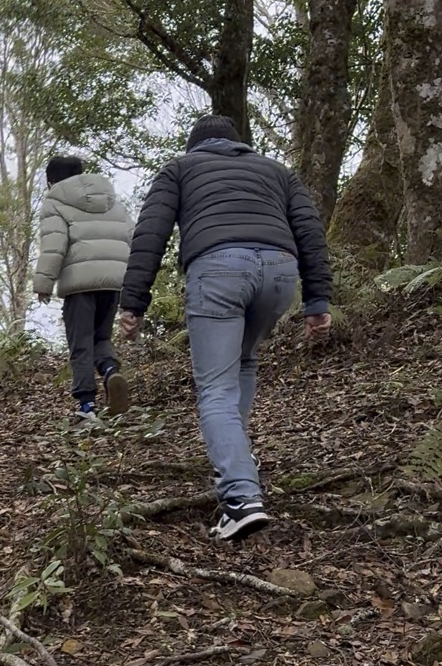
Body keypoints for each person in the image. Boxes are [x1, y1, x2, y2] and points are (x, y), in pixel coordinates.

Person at [117, 114, 332, 539]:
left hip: (218, 269)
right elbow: (309, 231)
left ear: (194, 144)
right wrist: (317, 300)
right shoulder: (277, 171)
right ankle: (236, 466)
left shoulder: (179, 168)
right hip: (279, 273)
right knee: (243, 362)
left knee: (215, 388)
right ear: (239, 144)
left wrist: (133, 302)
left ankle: (241, 497)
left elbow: (151, 232)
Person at [33, 154, 134, 419]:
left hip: (79, 285)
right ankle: (111, 371)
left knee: (81, 343)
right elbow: (133, 236)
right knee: (101, 337)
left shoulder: (55, 201)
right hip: (113, 282)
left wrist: (44, 282)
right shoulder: (111, 199)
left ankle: (87, 406)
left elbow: (55, 245)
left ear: (51, 181)